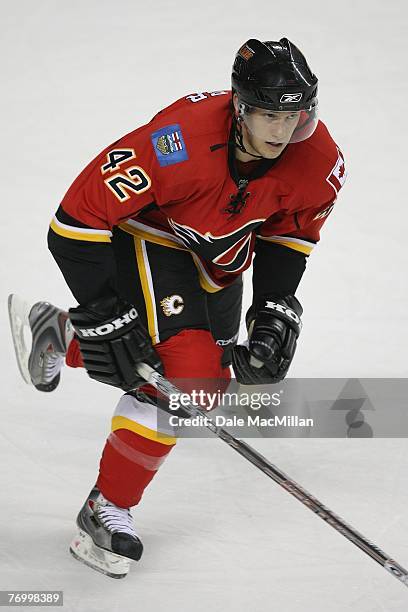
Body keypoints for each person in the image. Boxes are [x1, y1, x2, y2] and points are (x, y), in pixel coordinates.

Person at [8, 37, 346, 578]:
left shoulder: (320, 159)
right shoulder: (174, 143)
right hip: (151, 235)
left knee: (202, 383)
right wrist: (105, 313)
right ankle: (105, 508)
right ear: (240, 108)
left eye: (296, 116)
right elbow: (73, 224)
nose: (283, 133)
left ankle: (58, 335)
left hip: (220, 255)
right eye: (268, 116)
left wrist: (273, 308)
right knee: (184, 382)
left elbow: (289, 234)